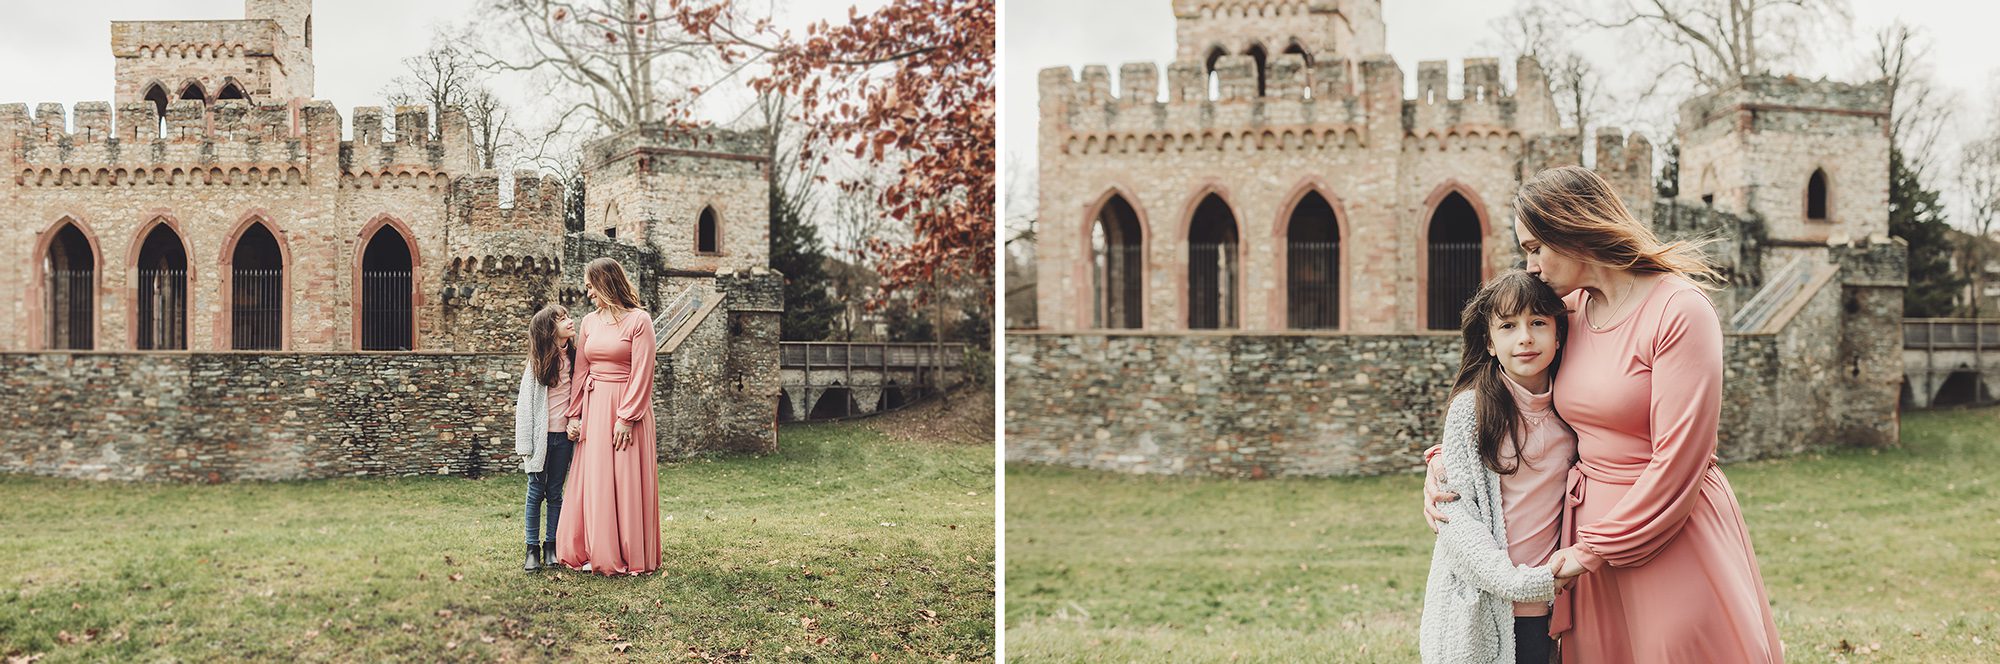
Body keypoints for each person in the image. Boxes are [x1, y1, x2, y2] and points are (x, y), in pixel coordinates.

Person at [1426, 166, 1782, 663]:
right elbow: (1520, 396)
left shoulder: (1679, 310)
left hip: (1667, 526)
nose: (1531, 266)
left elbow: (1681, 458)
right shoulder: (1567, 309)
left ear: (1571, 230)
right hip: (1585, 534)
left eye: (1535, 248)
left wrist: (1592, 550)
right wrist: (1445, 461)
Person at [1419, 271, 1589, 664]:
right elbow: (1456, 517)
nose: (1525, 337)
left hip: (1550, 607)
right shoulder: (1471, 411)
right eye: (1508, 326)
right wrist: (1519, 583)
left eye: (1538, 323)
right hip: (1484, 606)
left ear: (1559, 335)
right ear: (1490, 343)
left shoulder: (1574, 413)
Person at [553, 257, 661, 576]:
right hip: (595, 403)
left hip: (628, 406)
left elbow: (643, 370)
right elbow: (581, 369)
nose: (588, 294)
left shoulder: (639, 321)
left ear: (606, 283)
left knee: (626, 479)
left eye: (590, 287)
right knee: (595, 479)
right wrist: (574, 414)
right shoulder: (589, 322)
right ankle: (593, 549)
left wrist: (627, 417)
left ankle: (628, 553)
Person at [513, 304, 577, 572]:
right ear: (549, 330)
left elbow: (579, 394)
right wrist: (526, 445)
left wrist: (577, 422)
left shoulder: (575, 358)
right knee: (535, 492)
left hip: (563, 437)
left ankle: (551, 547)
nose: (570, 321)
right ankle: (532, 549)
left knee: (555, 493)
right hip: (540, 440)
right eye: (562, 319)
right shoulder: (537, 364)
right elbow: (525, 405)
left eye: (568, 316)